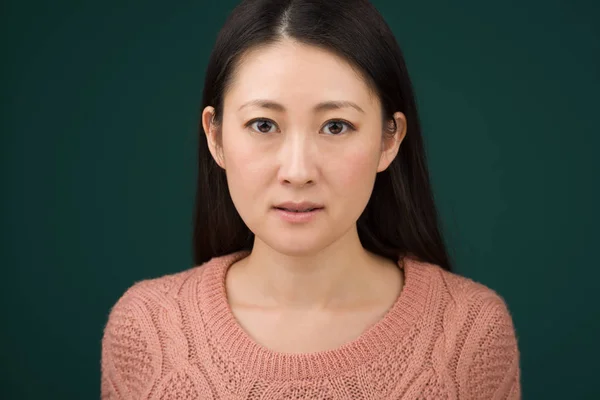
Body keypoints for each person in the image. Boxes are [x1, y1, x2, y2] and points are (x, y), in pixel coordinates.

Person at [100, 0, 521, 398]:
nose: (298, 172)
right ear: (215, 136)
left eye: (336, 126)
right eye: (263, 125)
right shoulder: (147, 328)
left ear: (388, 139)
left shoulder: (470, 333)